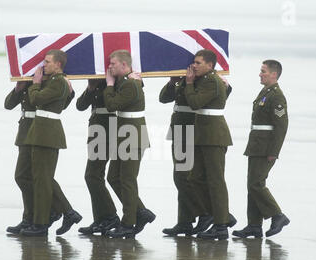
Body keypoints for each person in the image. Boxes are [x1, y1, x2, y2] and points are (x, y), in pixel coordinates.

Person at [159, 71, 234, 236]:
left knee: (188, 177)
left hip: (193, 128)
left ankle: (209, 213)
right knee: (180, 176)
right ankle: (186, 220)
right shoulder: (184, 78)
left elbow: (218, 97)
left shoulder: (205, 81)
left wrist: (225, 86)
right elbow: (163, 98)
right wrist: (172, 82)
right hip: (179, 129)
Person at [19, 49, 82, 237]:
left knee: (43, 179)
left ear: (58, 64)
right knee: (41, 179)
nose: (43, 65)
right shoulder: (57, 82)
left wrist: (35, 84)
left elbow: (36, 99)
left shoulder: (58, 82)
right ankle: (55, 216)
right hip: (41, 133)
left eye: (47, 62)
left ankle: (44, 222)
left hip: (47, 134)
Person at [233, 60, 290, 238]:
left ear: (274, 74)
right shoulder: (265, 92)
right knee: (252, 185)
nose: (260, 74)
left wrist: (274, 151)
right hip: (256, 144)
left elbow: (281, 126)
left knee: (256, 184)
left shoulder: (276, 96)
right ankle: (254, 225)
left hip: (266, 147)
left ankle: (277, 215)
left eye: (263, 71)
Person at [103, 50, 155, 238]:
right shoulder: (128, 82)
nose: (110, 66)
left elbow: (111, 105)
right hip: (124, 134)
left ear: (125, 65)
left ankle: (128, 223)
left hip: (132, 136)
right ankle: (140, 212)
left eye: (113, 64)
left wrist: (109, 84)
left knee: (127, 180)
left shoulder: (130, 85)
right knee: (113, 177)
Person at [185, 49, 237, 240]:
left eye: (198, 63)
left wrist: (189, 84)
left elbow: (195, 103)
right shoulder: (208, 80)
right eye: (194, 62)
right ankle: (220, 214)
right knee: (194, 178)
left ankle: (221, 226)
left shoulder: (212, 81)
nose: (194, 66)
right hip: (203, 135)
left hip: (214, 136)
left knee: (216, 181)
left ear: (210, 65)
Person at [4, 80, 64, 234]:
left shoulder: (47, 82)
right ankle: (30, 217)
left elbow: (57, 103)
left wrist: (37, 83)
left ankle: (48, 213)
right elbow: (8, 104)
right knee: (23, 177)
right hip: (26, 131)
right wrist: (18, 88)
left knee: (40, 177)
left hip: (39, 132)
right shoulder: (26, 81)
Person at [75, 79, 120, 235]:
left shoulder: (115, 82)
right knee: (95, 176)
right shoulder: (96, 84)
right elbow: (80, 106)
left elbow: (112, 105)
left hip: (106, 131)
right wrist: (90, 87)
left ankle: (109, 216)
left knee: (92, 175)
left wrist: (109, 84)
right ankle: (101, 218)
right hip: (96, 130)